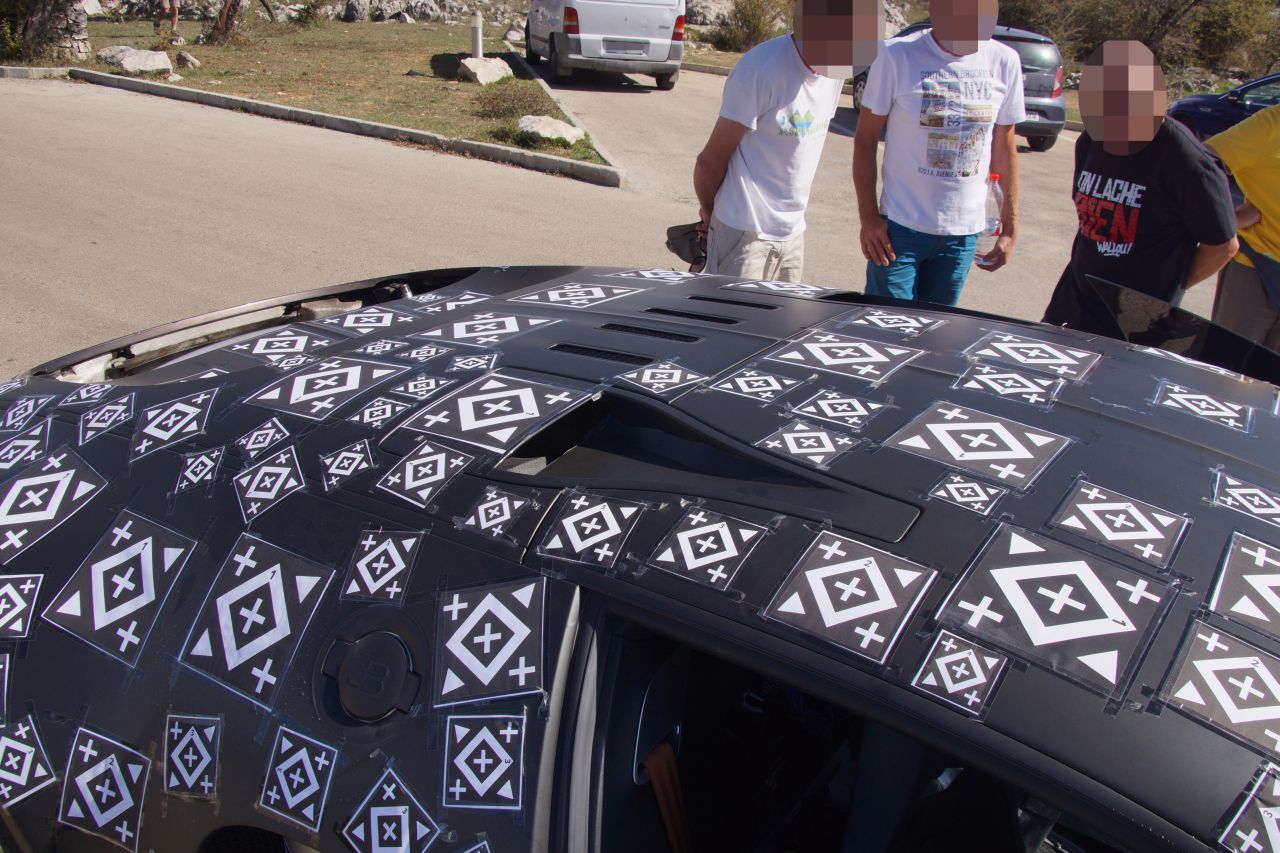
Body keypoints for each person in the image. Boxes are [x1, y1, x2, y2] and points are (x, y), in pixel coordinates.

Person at [1042, 41, 1237, 335]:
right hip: (1074, 304)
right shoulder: (1091, 140)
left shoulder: (1184, 157)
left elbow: (1223, 246)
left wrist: (1162, 295)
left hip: (1135, 323)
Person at [693, 0, 882, 283]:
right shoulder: (760, 69)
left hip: (793, 235)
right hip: (744, 234)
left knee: (786, 314)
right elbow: (709, 162)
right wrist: (711, 215)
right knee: (734, 313)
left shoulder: (833, 76)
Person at [853, 0, 1024, 306]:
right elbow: (865, 140)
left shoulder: (1004, 61)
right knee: (886, 327)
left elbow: (1004, 149)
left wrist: (1009, 228)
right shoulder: (895, 56)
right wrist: (868, 218)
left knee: (937, 331)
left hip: (962, 235)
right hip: (898, 231)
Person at [1205, 105, 1280, 351]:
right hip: (1258, 271)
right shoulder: (1271, 124)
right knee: (1227, 366)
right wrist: (1225, 217)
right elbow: (1199, 165)